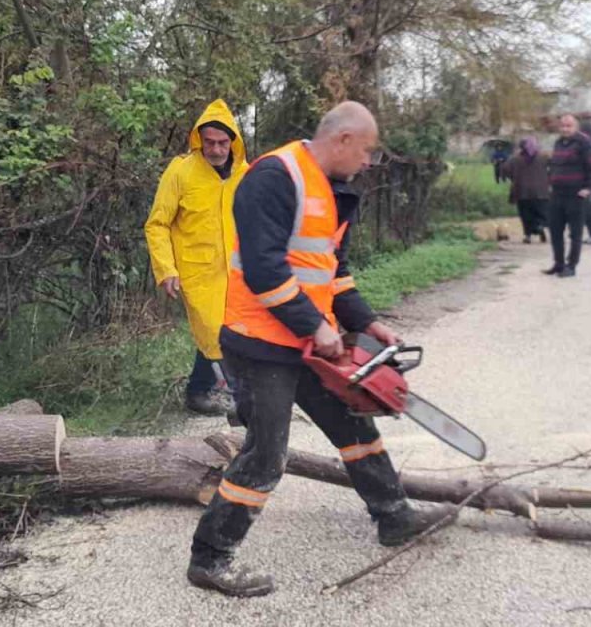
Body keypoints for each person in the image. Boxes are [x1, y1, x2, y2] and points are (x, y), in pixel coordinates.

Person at [186, 101, 454, 598]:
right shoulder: (274, 177)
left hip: (307, 342)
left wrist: (366, 321)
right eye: (368, 151)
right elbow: (266, 271)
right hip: (259, 343)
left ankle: (394, 515)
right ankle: (210, 558)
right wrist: (317, 325)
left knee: (354, 425)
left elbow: (336, 273)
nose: (369, 162)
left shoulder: (335, 192)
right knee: (266, 454)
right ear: (344, 139)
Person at [145, 99, 248, 417]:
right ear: (198, 140)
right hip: (197, 272)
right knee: (216, 332)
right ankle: (240, 402)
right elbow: (157, 223)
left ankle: (197, 391)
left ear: (233, 141)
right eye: (209, 143)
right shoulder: (181, 171)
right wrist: (166, 269)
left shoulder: (244, 174)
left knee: (232, 331)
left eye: (221, 143)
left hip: (238, 272)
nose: (216, 150)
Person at [543, 114, 591, 278]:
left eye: (569, 126)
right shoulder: (559, 143)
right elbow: (554, 165)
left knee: (575, 233)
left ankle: (571, 265)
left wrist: (588, 188)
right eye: (563, 126)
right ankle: (558, 263)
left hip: (576, 195)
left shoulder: (584, 142)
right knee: (555, 231)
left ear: (576, 127)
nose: (565, 129)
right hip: (557, 194)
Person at [502, 136, 551, 244]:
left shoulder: (515, 159)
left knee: (526, 215)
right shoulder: (543, 157)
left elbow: (505, 170)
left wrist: (513, 177)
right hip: (541, 192)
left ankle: (527, 235)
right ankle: (540, 227)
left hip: (522, 192)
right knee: (541, 213)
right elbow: (554, 167)